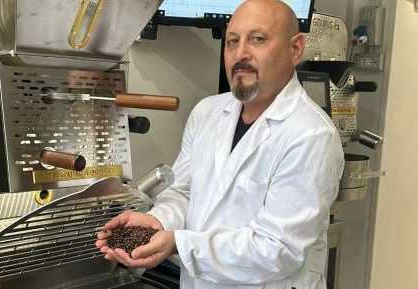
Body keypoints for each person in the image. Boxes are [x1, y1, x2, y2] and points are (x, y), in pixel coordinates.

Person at [96, 0, 344, 288]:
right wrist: (158, 221)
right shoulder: (207, 112)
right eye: (232, 42)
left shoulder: (310, 135)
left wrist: (178, 244)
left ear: (296, 48)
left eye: (258, 39)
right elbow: (184, 191)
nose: (241, 54)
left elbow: (278, 250)